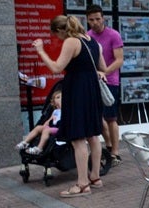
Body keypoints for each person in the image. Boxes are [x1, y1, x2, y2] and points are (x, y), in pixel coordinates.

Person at [33, 15, 106, 198]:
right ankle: (95, 177)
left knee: (77, 138)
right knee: (92, 135)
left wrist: (41, 51)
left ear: (60, 31)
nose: (58, 39)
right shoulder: (92, 42)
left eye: (56, 35)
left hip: (77, 91)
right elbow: (102, 67)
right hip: (91, 90)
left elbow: (57, 68)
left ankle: (82, 184)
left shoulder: (71, 41)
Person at [87, 4, 124, 167]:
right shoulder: (87, 36)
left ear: (103, 19)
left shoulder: (113, 35)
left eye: (97, 19)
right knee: (98, 118)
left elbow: (119, 60)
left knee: (111, 118)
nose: (95, 22)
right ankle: (108, 146)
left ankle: (115, 152)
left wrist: (105, 72)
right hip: (94, 81)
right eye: (91, 20)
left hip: (111, 81)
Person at [15, 88, 63, 155]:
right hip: (52, 127)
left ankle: (39, 148)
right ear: (54, 102)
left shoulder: (66, 110)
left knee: (46, 130)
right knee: (38, 127)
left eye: (62, 97)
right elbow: (49, 120)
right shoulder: (55, 111)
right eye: (58, 97)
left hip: (60, 128)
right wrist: (45, 125)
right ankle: (25, 142)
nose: (60, 98)